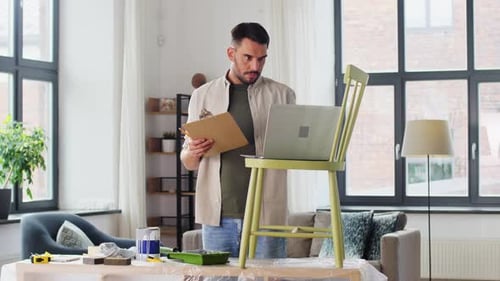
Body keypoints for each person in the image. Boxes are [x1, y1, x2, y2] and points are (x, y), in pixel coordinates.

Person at [180, 22, 295, 259]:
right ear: (231, 53)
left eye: (262, 59)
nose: (256, 66)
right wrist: (193, 151)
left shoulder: (283, 95)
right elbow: (189, 163)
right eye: (248, 58)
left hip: (267, 215)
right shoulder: (202, 96)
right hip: (218, 216)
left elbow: (291, 153)